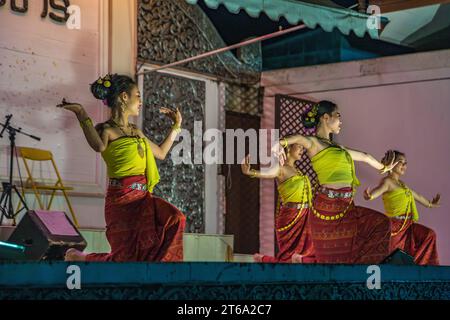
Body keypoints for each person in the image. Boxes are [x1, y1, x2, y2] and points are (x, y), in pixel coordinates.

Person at [59, 73, 186, 262]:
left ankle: (160, 275)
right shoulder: (106, 130)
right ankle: (81, 258)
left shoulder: (136, 131)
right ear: (124, 97)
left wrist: (176, 126)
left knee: (176, 219)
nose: (140, 101)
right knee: (124, 259)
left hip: (143, 197)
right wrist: (81, 113)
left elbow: (160, 152)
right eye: (138, 95)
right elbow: (98, 146)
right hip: (121, 199)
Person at [275, 100, 396, 264]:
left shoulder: (338, 148)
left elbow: (366, 156)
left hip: (345, 205)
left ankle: (367, 277)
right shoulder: (313, 142)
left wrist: (384, 167)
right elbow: (297, 138)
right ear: (326, 117)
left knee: (379, 225)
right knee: (340, 255)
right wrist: (280, 143)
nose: (341, 121)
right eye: (338, 116)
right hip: (329, 206)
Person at [241, 142, 315, 263]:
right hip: (291, 217)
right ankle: (265, 260)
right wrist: (250, 172)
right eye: (299, 147)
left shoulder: (297, 171)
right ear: (289, 149)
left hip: (304, 216)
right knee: (288, 257)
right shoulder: (281, 168)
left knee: (303, 255)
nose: (302, 150)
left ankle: (264, 260)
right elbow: (268, 173)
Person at [364, 150, 440, 265]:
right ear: (392, 163)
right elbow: (378, 190)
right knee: (393, 255)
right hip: (396, 227)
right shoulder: (387, 181)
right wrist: (370, 196)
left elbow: (416, 195)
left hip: (408, 225)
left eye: (405, 163)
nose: (404, 165)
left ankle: (418, 267)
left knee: (429, 234)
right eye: (401, 162)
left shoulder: (402, 185)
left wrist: (430, 204)